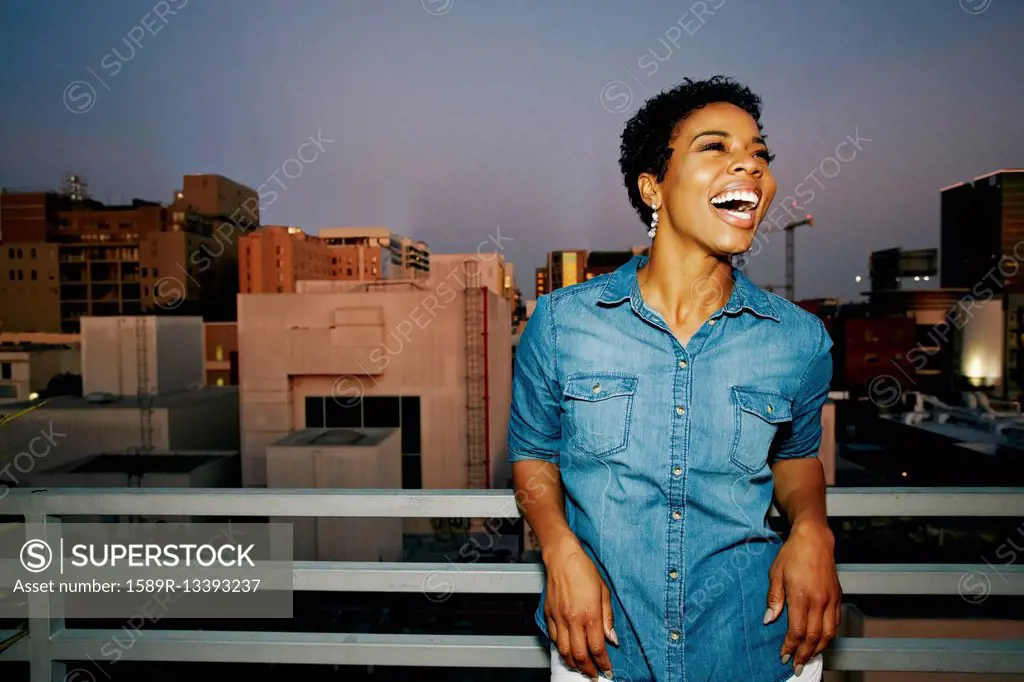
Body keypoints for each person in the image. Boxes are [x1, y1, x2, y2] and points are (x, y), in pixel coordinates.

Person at [508, 76, 839, 682]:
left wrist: (813, 527)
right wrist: (558, 546)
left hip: (756, 649)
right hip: (602, 655)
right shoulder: (561, 324)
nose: (750, 164)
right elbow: (532, 457)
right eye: (716, 147)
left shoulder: (799, 340)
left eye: (760, 154)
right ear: (652, 187)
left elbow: (797, 457)